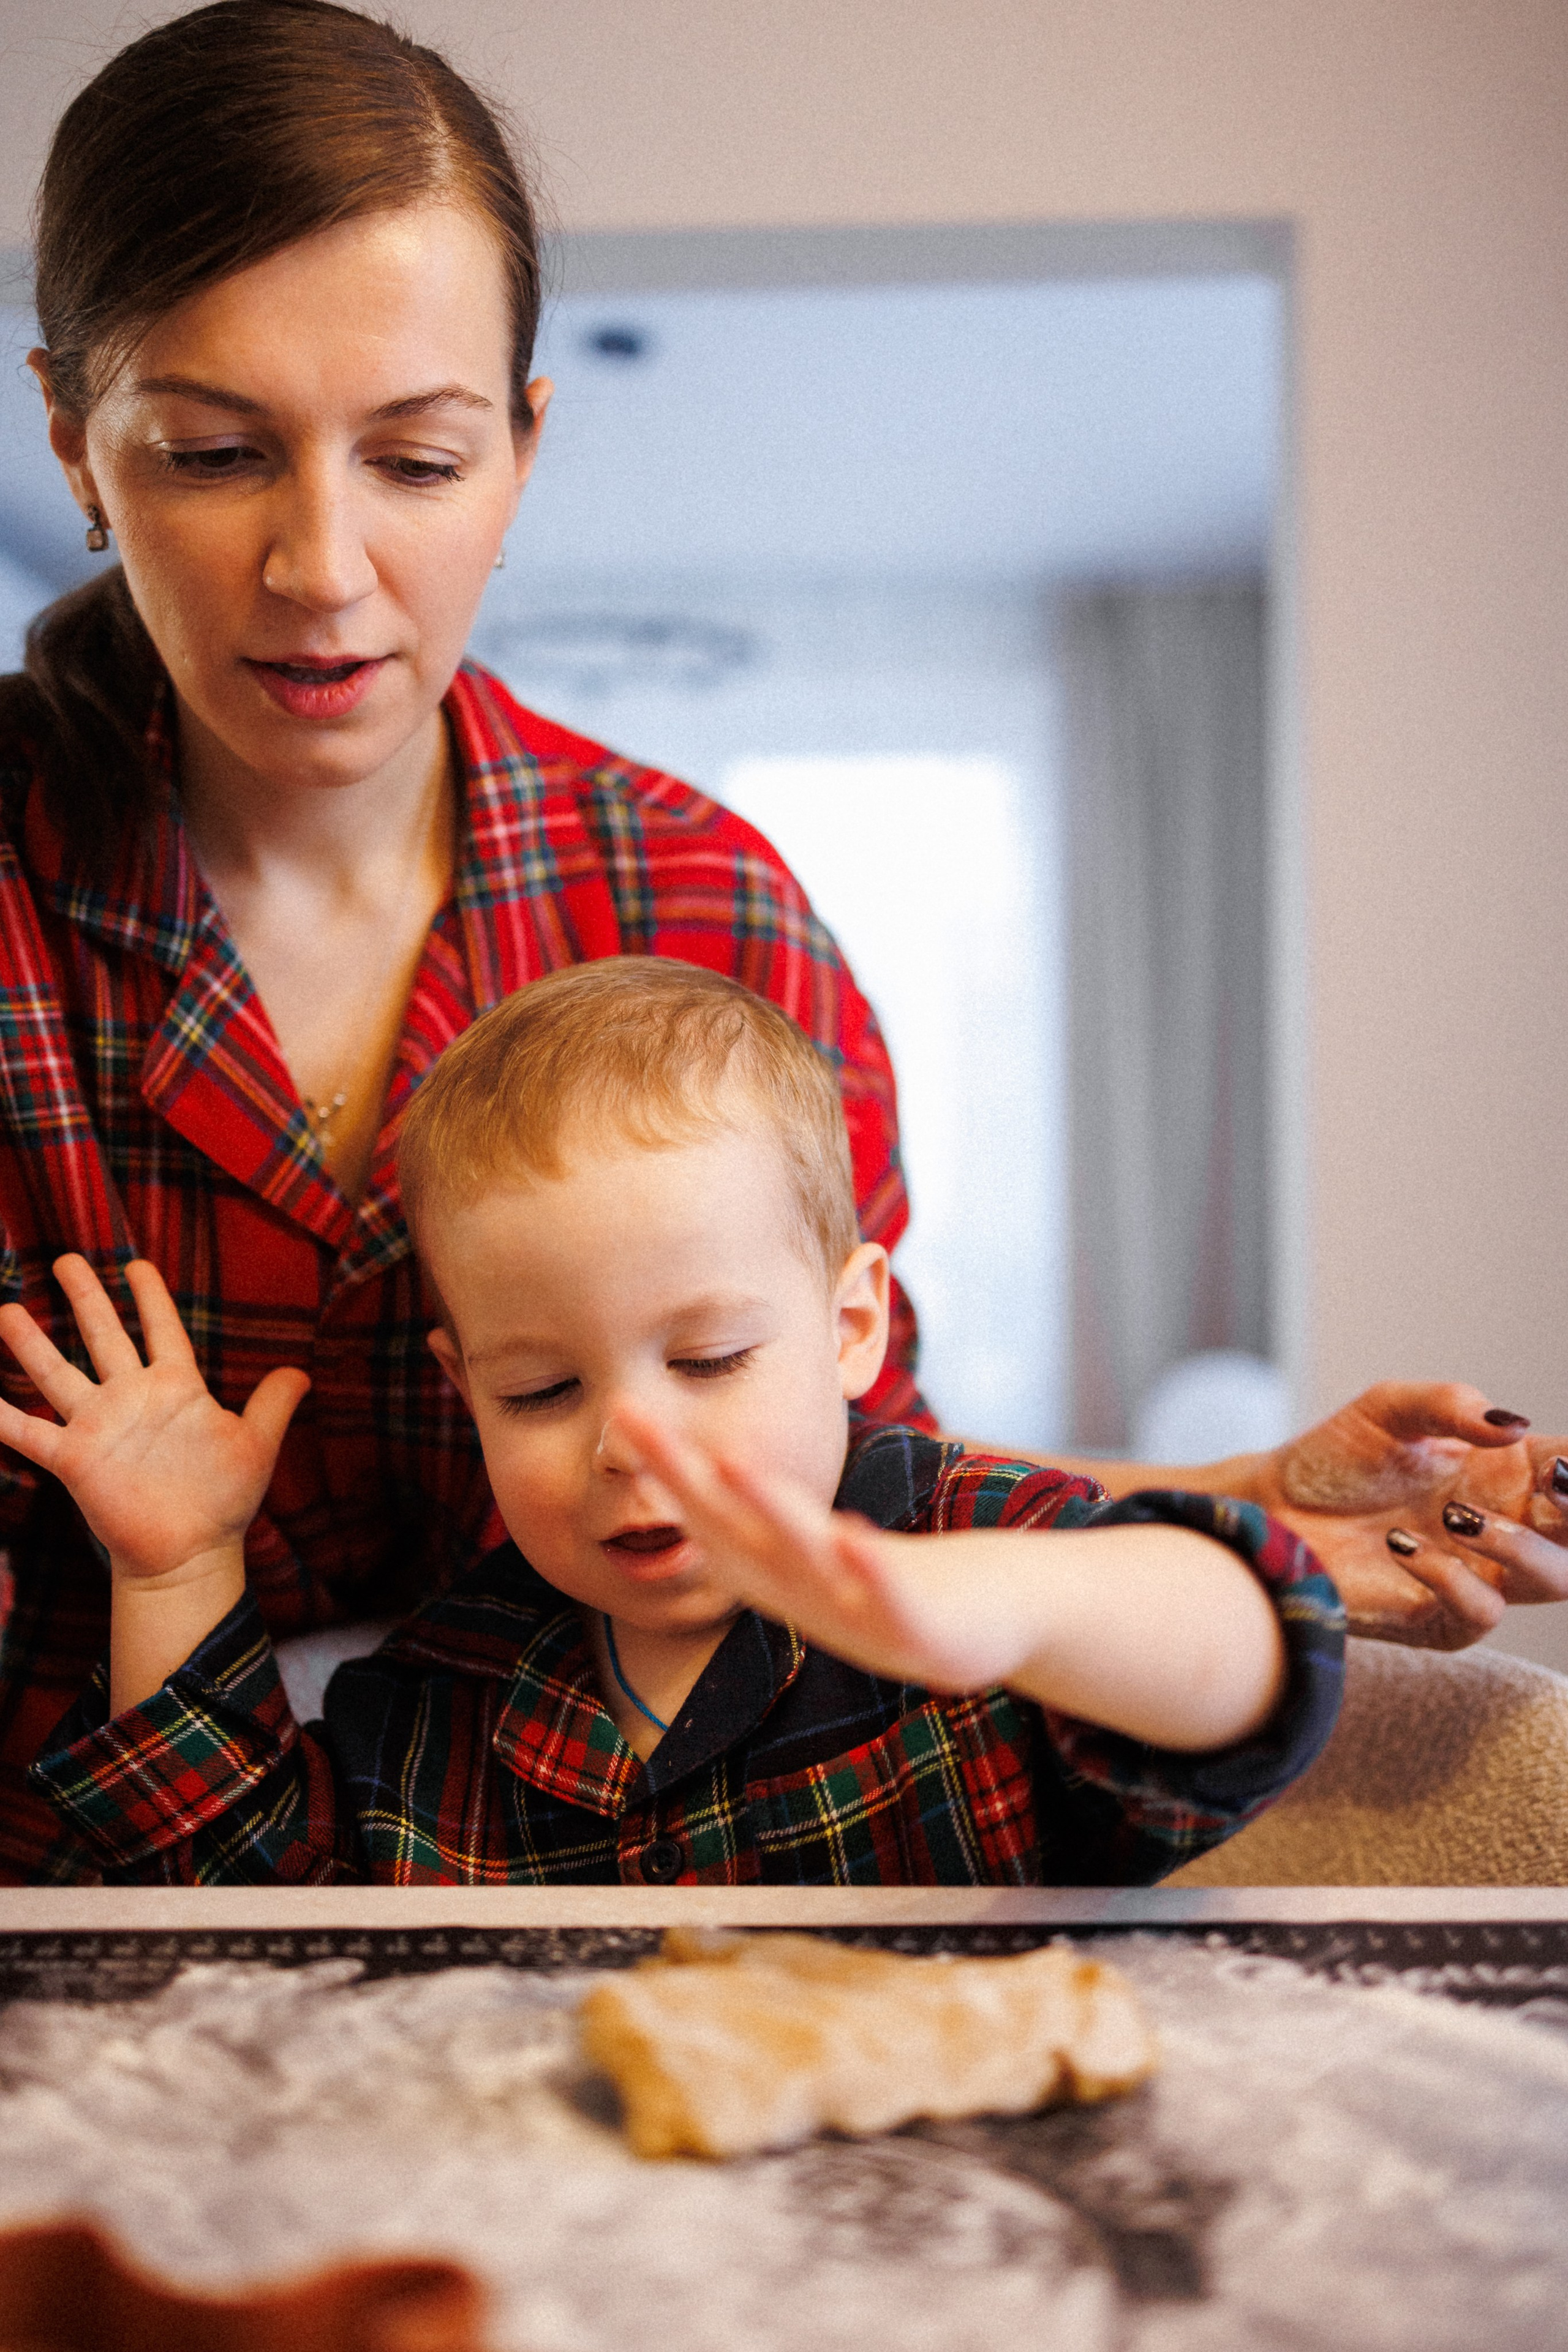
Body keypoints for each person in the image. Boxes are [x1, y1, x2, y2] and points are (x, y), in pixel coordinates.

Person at [0, 0, 1562, 1883]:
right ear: (78, 442)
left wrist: (1250, 1504)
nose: (323, 568)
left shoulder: (703, 913)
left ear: (522, 444)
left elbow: (850, 1480)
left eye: (415, 462)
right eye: (215, 453)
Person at [9, 961, 1344, 1885]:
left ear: (850, 1326)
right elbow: (235, 1916)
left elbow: (1253, 1660)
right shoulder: (439, 1697)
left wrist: (1012, 1612)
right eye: (540, 1389)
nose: (628, 1442)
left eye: (706, 1359)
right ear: (463, 1387)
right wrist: (176, 1567)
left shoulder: (967, 1548)